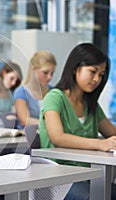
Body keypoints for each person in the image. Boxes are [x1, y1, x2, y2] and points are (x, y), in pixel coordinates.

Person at [39, 43, 116, 199]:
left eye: (101, 75)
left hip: (90, 174)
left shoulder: (90, 104)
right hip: (60, 177)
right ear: (75, 68)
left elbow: (112, 132)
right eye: (93, 72)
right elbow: (58, 138)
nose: (96, 79)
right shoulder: (54, 97)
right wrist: (101, 144)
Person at [13, 50, 56, 128]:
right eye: (45, 73)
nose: (49, 77)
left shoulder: (53, 92)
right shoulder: (21, 92)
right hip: (27, 137)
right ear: (34, 69)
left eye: (52, 73)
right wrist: (52, 124)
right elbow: (25, 120)